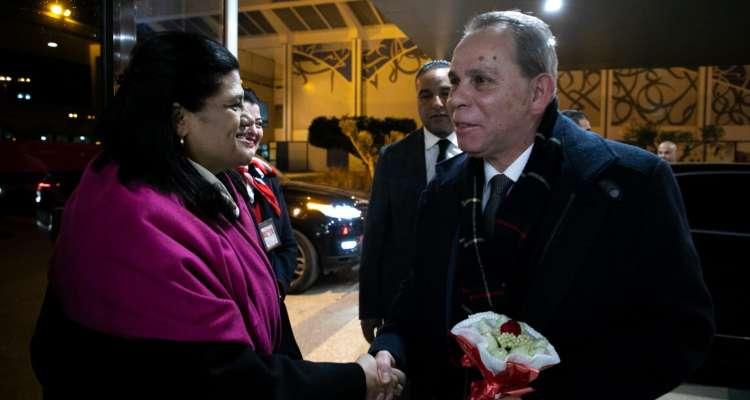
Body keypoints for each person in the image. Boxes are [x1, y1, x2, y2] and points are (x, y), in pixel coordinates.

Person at [29, 31, 403, 399]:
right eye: (233, 105)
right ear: (180, 119)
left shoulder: (212, 181)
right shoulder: (133, 219)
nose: (247, 120)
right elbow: (224, 379)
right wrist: (356, 380)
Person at [370, 10, 714, 400]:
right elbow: (417, 298)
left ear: (538, 92)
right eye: (456, 81)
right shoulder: (442, 189)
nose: (456, 100)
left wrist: (562, 390)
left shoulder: (630, 184)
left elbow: (679, 332)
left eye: (480, 81)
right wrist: (390, 348)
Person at [359, 60, 461, 343]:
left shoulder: (481, 150)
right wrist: (369, 307)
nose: (437, 103)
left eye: (445, 92)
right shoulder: (393, 157)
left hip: (463, 301)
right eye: (425, 95)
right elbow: (376, 233)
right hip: (404, 300)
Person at [237, 88, 302, 359]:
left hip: (273, 308)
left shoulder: (265, 178)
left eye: (259, 123)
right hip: (241, 320)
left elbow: (287, 245)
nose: (253, 131)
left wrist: (274, 287)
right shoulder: (215, 182)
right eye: (244, 123)